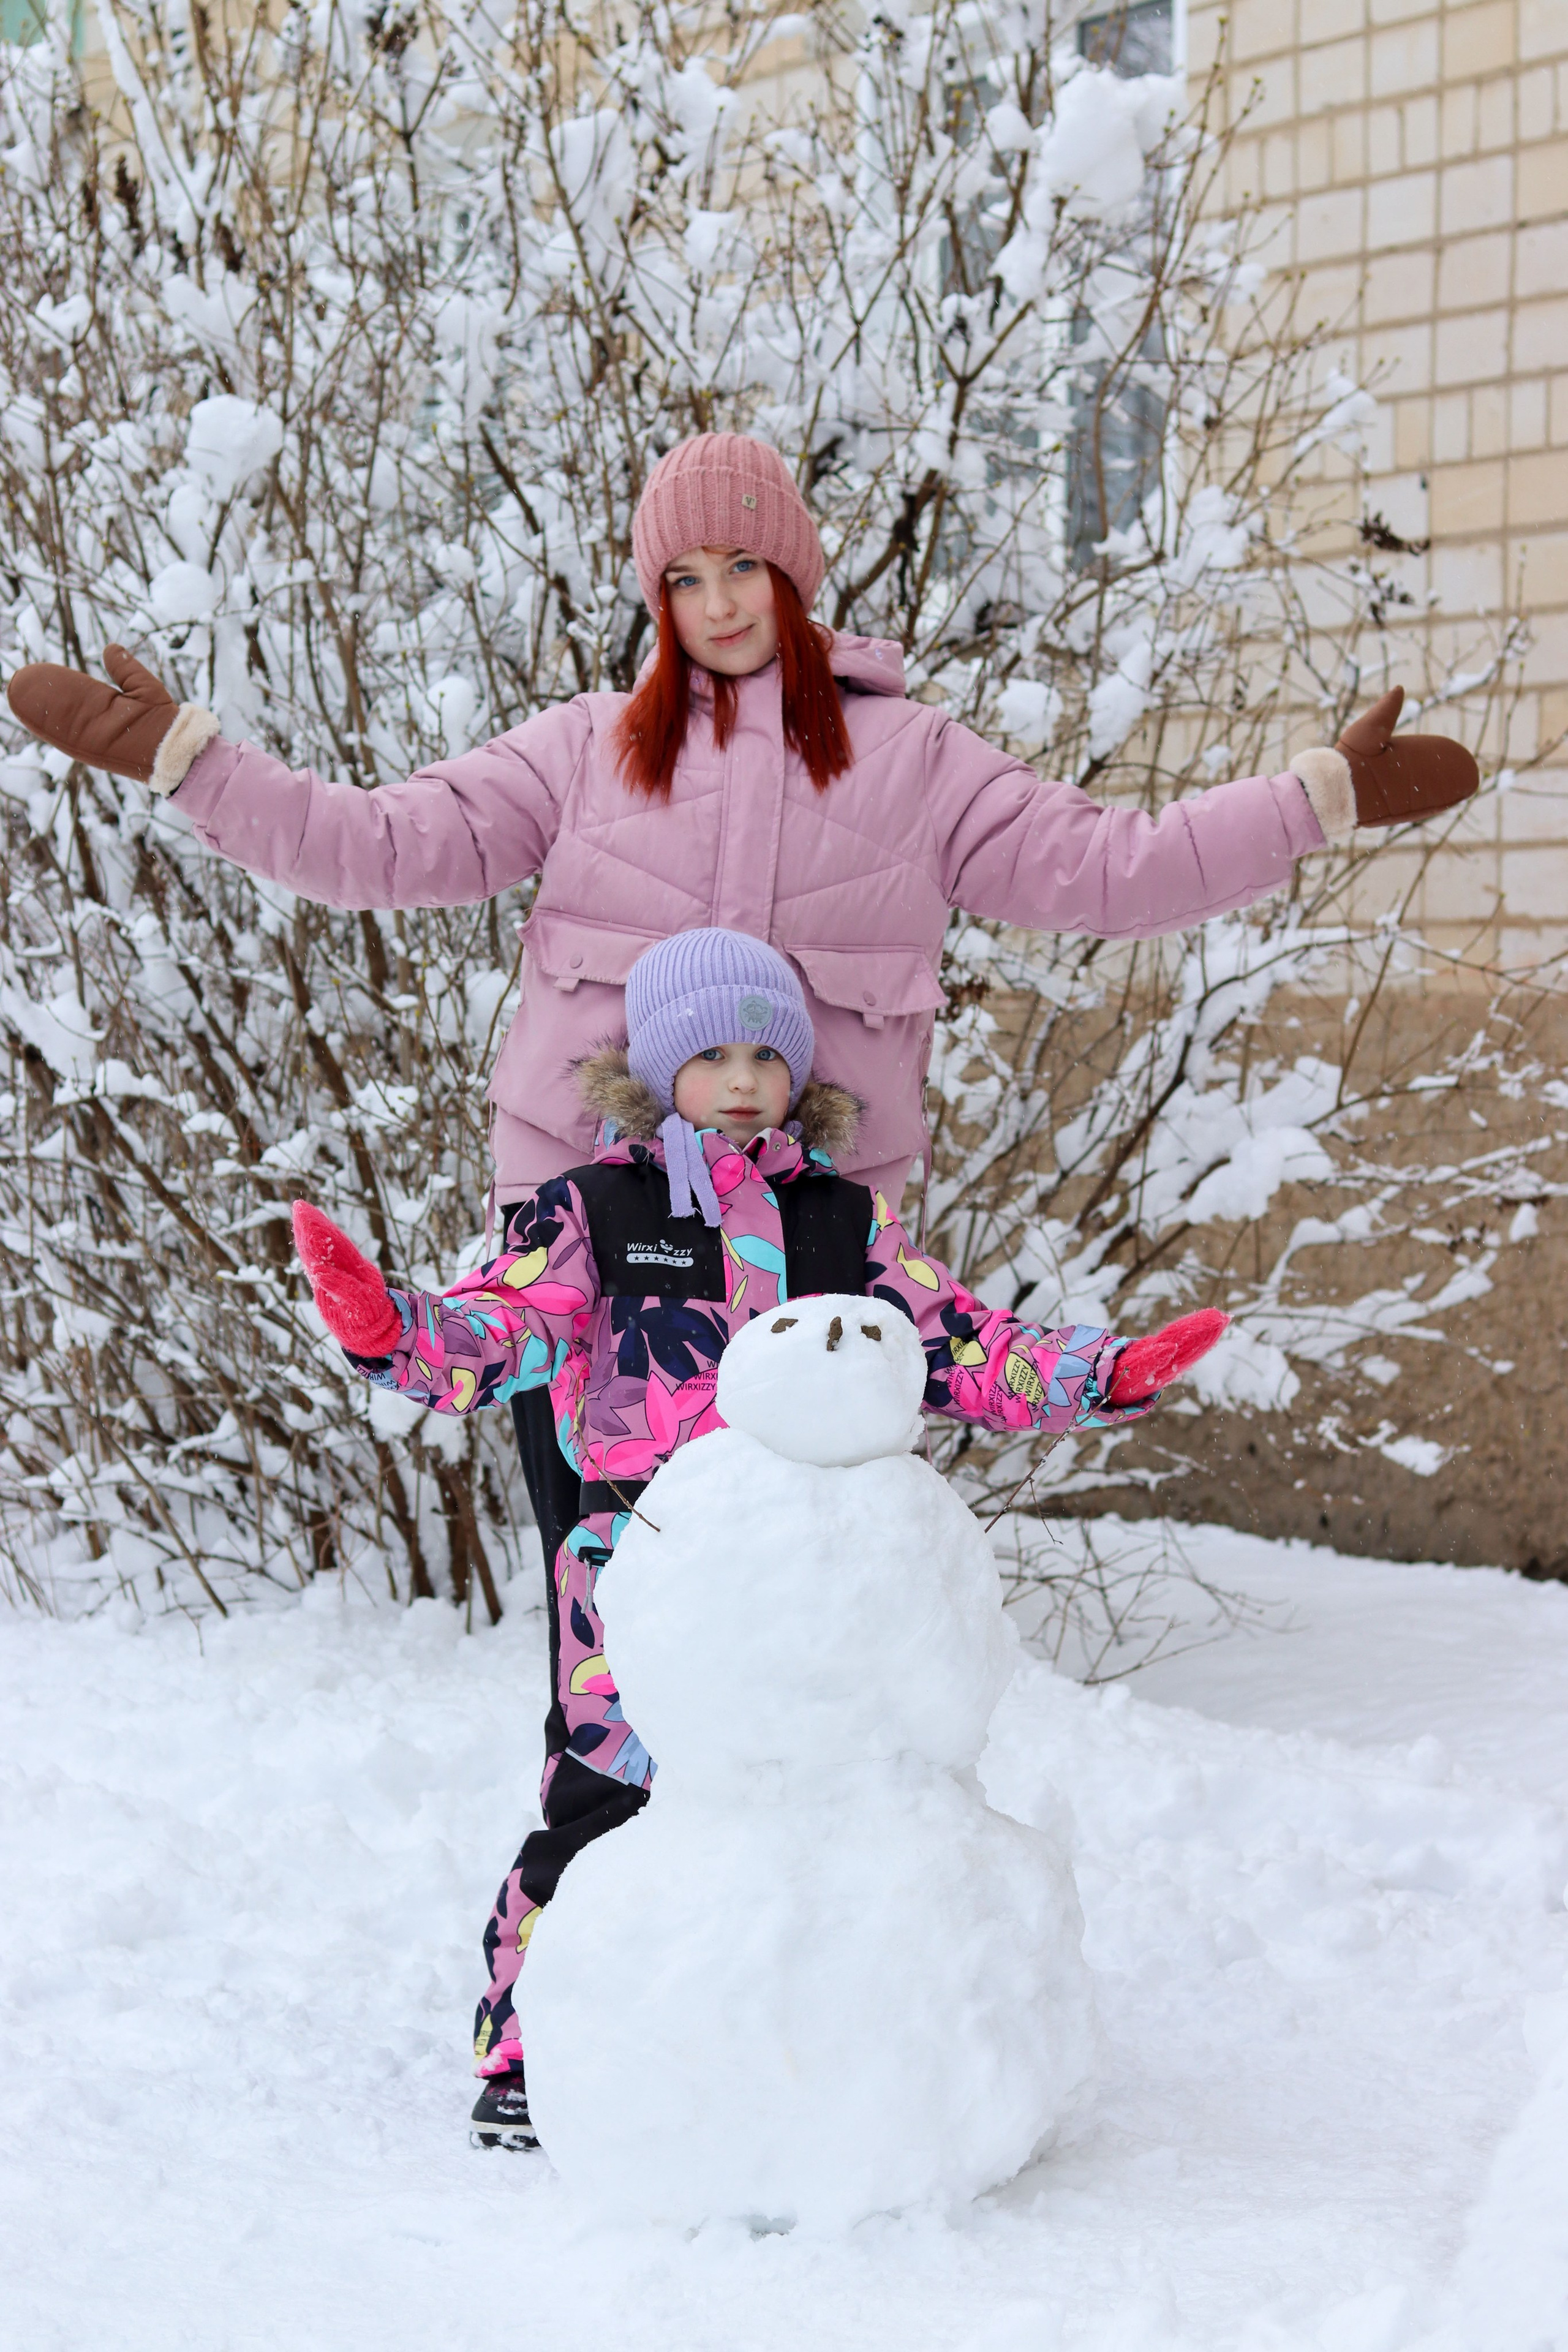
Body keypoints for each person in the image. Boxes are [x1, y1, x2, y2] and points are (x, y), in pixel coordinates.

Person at [5, 432, 1479, 1597]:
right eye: (684, 576)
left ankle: (773, 1897)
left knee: (800, 1614)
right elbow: (378, 846)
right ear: (654, 597)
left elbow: (1115, 869)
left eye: (743, 567)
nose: (716, 603)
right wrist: (194, 762)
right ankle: (602, 1882)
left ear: (793, 574)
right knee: (608, 1608)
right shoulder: (583, 753)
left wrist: (1311, 800)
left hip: (817, 1265)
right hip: (590, 1254)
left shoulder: (915, 766)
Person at [292, 928, 1229, 2150]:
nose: (742, 1081)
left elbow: (958, 1347)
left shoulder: (844, 1223)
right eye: (711, 1057)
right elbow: (502, 1327)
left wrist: (1099, 1375)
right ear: (656, 1071)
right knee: (606, 1795)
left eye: (766, 1057)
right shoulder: (595, 1211)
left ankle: (820, 2034)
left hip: (810, 1572)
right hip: (638, 1564)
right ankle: (528, 2040)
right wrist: (390, 1329)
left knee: (820, 1796)